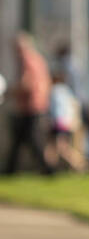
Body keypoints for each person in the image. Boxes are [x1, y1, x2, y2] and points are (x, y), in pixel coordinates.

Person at [3, 32, 52, 175]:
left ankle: (48, 170)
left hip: (31, 106)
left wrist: (9, 92)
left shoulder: (27, 60)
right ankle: (9, 170)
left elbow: (27, 83)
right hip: (36, 104)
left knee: (32, 139)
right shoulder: (38, 59)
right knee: (20, 139)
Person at [45, 72, 84, 173]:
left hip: (59, 123)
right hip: (67, 123)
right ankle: (49, 168)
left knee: (61, 147)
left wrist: (54, 121)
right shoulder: (67, 91)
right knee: (52, 147)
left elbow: (58, 109)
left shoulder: (56, 91)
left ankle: (78, 163)